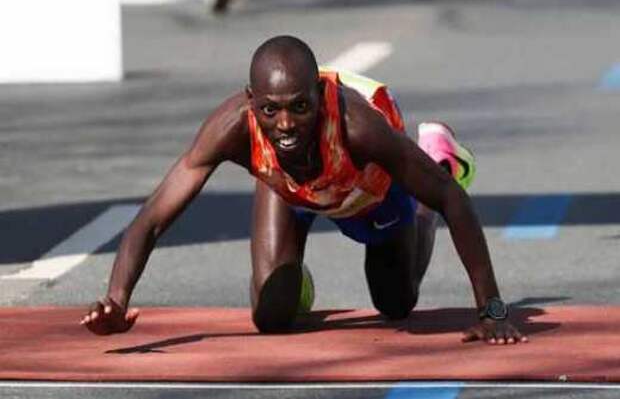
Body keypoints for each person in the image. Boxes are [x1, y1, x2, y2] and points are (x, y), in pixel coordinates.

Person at [80, 35, 527, 345]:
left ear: (319, 94)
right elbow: (154, 218)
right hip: (288, 191)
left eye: (300, 107)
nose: (286, 125)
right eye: (270, 111)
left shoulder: (359, 129)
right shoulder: (231, 127)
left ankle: (438, 157)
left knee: (395, 304)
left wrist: (492, 311)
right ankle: (294, 282)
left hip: (365, 190)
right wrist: (117, 300)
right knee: (271, 317)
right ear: (251, 101)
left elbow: (450, 199)